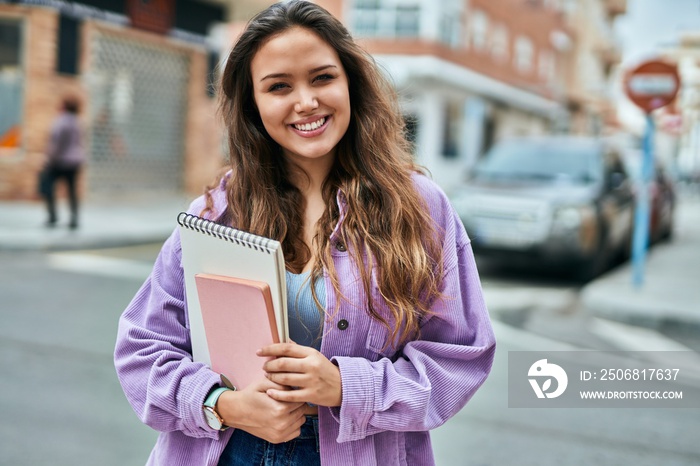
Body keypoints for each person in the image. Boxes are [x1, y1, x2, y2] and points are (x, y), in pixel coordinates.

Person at [114, 1, 496, 465]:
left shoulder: (420, 208)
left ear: (350, 82)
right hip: (228, 450)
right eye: (278, 86)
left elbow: (460, 358)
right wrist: (222, 404)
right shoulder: (218, 212)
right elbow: (141, 348)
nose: (306, 102)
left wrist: (345, 387)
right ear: (253, 103)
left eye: (322, 78)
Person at [43, 95, 85, 229]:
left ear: (64, 106)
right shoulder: (78, 122)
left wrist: (49, 159)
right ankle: (74, 219)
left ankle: (52, 216)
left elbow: (56, 143)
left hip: (60, 161)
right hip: (75, 162)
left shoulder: (61, 121)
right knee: (72, 190)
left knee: (47, 185)